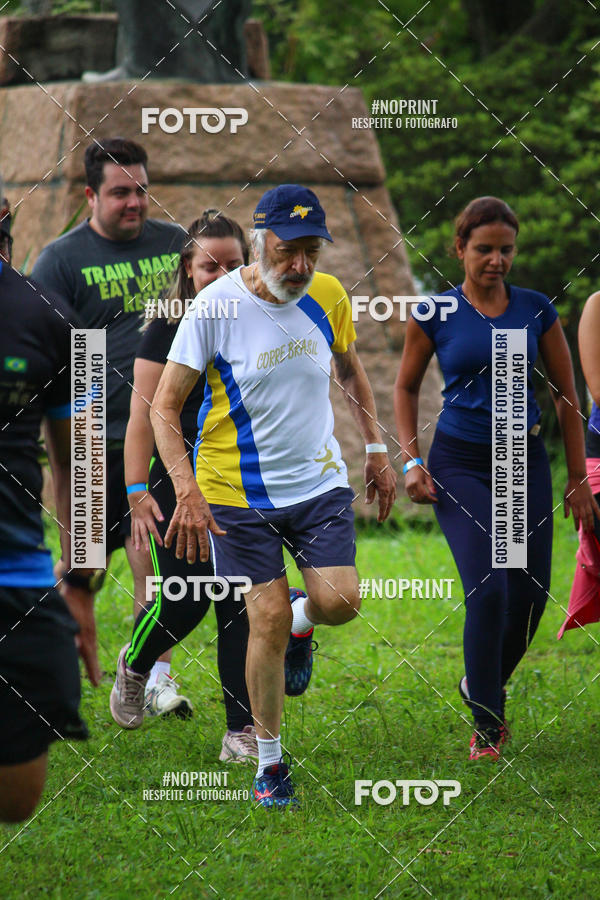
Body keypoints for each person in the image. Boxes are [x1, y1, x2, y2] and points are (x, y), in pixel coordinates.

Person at [150, 184, 397, 807]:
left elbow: (349, 367)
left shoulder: (330, 295)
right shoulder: (214, 307)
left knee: (340, 601)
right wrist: (186, 489)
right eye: (288, 252)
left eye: (312, 251)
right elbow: (164, 405)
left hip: (316, 483)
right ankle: (269, 765)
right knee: (263, 618)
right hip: (235, 491)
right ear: (259, 245)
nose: (301, 267)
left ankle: (304, 625)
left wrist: (375, 447)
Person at [394, 196, 599, 761]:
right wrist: (411, 460)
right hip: (459, 462)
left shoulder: (535, 309)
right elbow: (406, 387)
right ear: (459, 249)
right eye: (484, 249)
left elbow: (565, 395)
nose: (496, 260)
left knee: (531, 594)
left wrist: (578, 477)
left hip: (521, 460)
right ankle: (488, 722)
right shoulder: (434, 313)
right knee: (490, 582)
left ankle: (479, 683)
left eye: (505, 250)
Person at [31, 137, 191, 716]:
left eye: (142, 190)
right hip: (93, 436)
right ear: (90, 194)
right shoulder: (60, 261)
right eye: (121, 192)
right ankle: (41, 629)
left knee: (158, 554)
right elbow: (48, 356)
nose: (135, 203)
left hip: (167, 433)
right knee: (87, 563)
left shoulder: (177, 246)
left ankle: (152, 678)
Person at [110, 210, 258, 761]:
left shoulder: (262, 319)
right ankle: (136, 663)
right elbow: (142, 414)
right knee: (186, 597)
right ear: (188, 269)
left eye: (233, 264)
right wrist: (135, 491)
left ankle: (240, 732)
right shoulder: (167, 324)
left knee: (238, 601)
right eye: (208, 266)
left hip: (240, 479)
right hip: (175, 480)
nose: (220, 276)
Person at [0, 197, 99, 822]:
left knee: (18, 799)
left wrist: (83, 579)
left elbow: (83, 461)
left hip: (17, 584)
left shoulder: (58, 321)